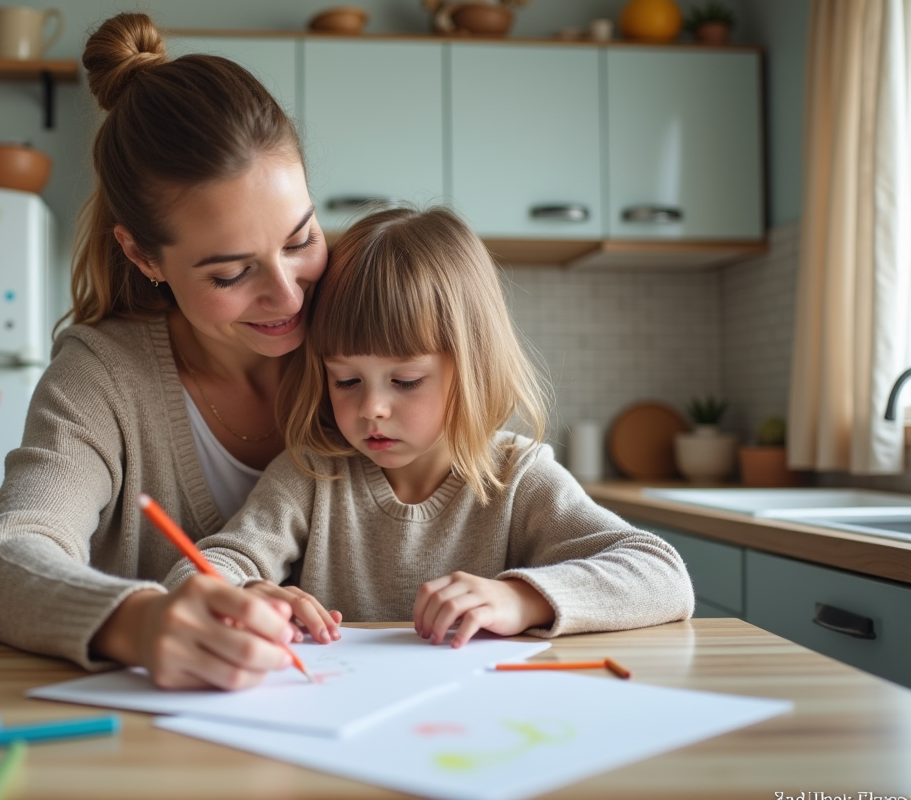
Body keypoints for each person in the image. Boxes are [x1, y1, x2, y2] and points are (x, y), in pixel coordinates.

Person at [0, 12, 341, 690]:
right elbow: (2, 561)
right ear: (143, 255)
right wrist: (138, 621)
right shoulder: (102, 377)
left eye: (301, 240)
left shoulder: (367, 338)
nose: (287, 296)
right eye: (231, 274)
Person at [164, 206, 694, 646]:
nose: (372, 408)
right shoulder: (311, 473)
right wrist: (241, 594)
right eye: (346, 381)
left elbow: (662, 575)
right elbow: (205, 566)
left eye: (406, 381)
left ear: (472, 369)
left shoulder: (517, 475)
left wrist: (521, 598)